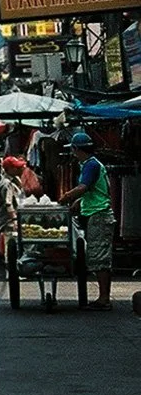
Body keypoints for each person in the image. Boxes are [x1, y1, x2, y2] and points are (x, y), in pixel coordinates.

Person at [57, 129, 115, 310]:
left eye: (73, 150)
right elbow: (94, 190)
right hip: (94, 213)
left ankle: (104, 299)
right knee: (97, 257)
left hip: (99, 215)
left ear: (77, 149)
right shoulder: (90, 164)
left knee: (100, 258)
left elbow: (83, 187)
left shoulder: (91, 165)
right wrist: (79, 202)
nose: (73, 154)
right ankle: (103, 298)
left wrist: (67, 196)